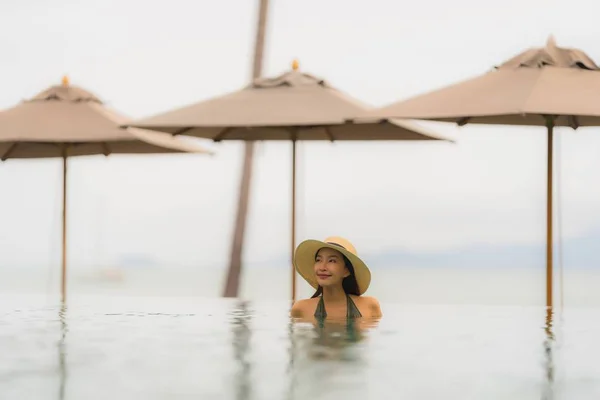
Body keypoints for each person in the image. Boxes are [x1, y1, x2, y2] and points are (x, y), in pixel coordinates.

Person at [290, 236, 382, 321]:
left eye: (332, 261)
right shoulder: (301, 309)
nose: (322, 267)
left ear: (347, 271)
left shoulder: (369, 306)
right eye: (318, 260)